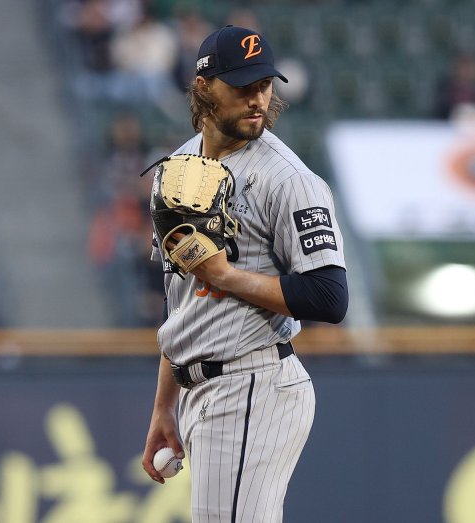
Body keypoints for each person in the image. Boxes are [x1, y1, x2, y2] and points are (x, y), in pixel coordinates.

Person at [140, 25, 349, 522]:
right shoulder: (179, 168)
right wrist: (164, 405)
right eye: (243, 87)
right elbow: (181, 299)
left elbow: (328, 297)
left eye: (264, 84)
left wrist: (227, 275)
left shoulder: (290, 180)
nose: (258, 99)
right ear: (204, 87)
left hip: (253, 380)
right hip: (199, 387)